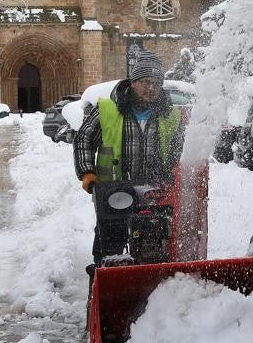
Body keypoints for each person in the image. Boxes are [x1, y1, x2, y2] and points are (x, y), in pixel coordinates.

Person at [73, 50, 184, 265]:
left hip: (156, 192)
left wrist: (175, 168)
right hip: (114, 191)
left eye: (155, 83)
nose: (151, 88)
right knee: (110, 245)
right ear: (133, 82)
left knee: (155, 243)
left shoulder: (170, 115)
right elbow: (83, 138)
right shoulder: (108, 109)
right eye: (145, 82)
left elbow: (177, 148)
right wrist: (87, 172)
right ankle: (101, 281)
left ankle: (154, 286)